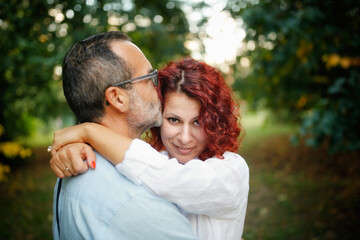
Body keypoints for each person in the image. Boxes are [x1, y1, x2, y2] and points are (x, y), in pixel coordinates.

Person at [50, 57, 250, 239]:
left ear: (215, 122)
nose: (185, 137)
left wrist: (89, 131)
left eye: (198, 122)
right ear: (158, 117)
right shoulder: (154, 159)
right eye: (174, 120)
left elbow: (171, 179)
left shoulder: (232, 170)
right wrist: (79, 146)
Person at [51, 31, 199, 240]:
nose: (158, 88)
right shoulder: (138, 201)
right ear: (117, 98)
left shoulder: (74, 167)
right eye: (150, 78)